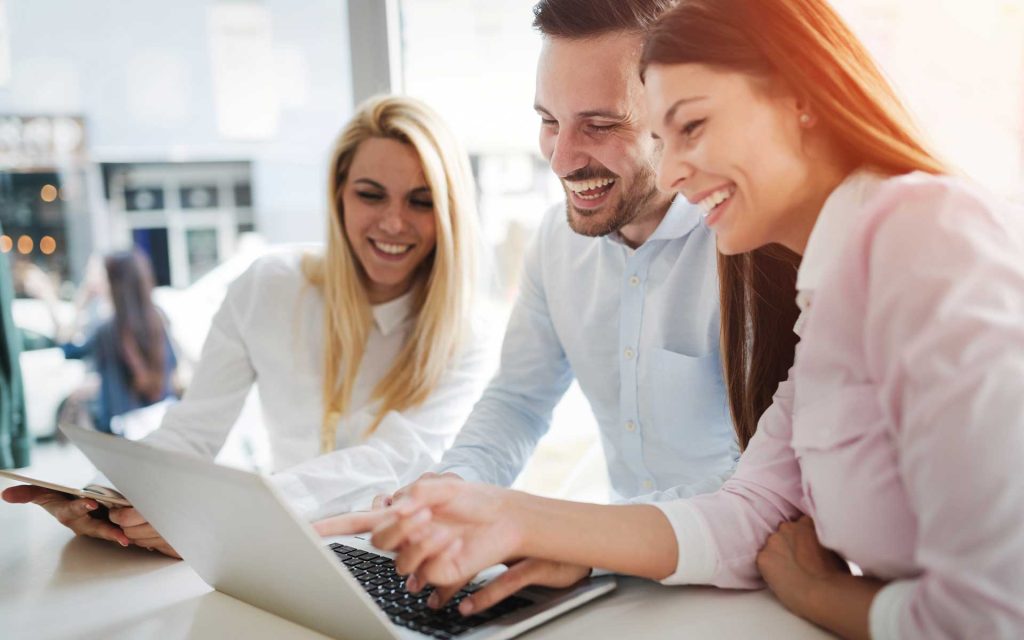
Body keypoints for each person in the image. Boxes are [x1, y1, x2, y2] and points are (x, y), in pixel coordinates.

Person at [317, 1, 1024, 638]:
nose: (676, 170)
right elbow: (754, 504)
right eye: (548, 122)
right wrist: (511, 514)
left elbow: (985, 615)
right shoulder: (832, 284)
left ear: (802, 99)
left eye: (689, 126)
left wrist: (820, 594)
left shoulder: (911, 238)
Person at [3, 95, 492, 559]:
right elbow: (193, 431)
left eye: (421, 201)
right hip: (277, 551)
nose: (393, 222)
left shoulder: (464, 332)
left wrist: (210, 518)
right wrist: (106, 498)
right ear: (339, 195)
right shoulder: (269, 286)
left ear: (449, 212)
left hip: (404, 559)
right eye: (370, 194)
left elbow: (391, 461)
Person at [378, 0, 799, 516]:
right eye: (550, 121)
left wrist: (573, 536)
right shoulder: (556, 242)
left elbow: (762, 477)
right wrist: (449, 489)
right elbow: (518, 400)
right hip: (618, 565)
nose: (561, 160)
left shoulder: (753, 246)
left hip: (737, 566)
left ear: (676, 116)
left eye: (599, 125)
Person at [23, 250, 178, 434]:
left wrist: (52, 297)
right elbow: (172, 369)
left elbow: (68, 347)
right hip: (162, 422)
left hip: (124, 432)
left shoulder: (107, 330)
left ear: (113, 282)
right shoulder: (157, 317)